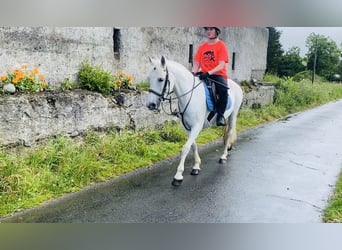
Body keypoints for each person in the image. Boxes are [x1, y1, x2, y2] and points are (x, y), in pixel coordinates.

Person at [192, 27, 229, 126]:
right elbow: (196, 62)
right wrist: (194, 72)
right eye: (207, 29)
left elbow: (221, 65)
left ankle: (220, 115)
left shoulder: (221, 45)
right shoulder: (202, 47)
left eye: (211, 29)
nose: (208, 31)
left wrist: (209, 73)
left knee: (223, 91)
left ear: (217, 31)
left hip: (218, 74)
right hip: (203, 74)